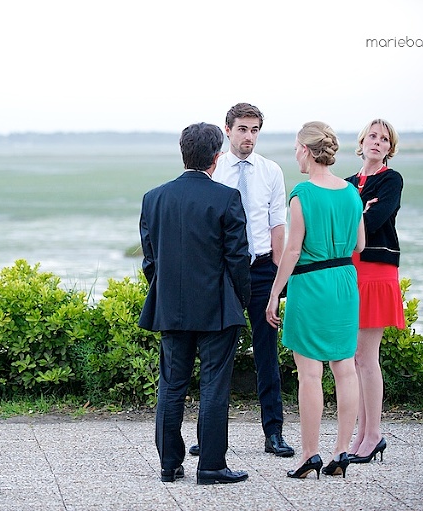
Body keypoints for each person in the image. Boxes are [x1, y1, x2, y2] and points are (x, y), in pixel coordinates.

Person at [139, 122, 252, 485]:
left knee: (171, 385)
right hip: (218, 307)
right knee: (214, 386)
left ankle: (169, 465)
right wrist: (242, 300)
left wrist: (166, 289)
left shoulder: (153, 198)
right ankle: (212, 466)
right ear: (217, 157)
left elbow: (150, 260)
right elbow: (238, 259)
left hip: (170, 305)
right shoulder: (226, 198)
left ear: (182, 151)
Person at [191, 103, 293, 458]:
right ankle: (207, 437)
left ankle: (274, 434)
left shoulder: (271, 171)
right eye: (243, 129)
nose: (248, 137)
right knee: (217, 356)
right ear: (228, 129)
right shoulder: (214, 172)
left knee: (268, 354)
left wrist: (279, 282)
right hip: (222, 272)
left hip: (263, 269)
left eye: (254, 130)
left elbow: (277, 223)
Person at [265, 121, 365, 479]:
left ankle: (310, 454)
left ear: (306, 150)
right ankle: (342, 452)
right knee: (345, 368)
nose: (295, 154)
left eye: (296, 147)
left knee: (310, 373)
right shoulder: (351, 193)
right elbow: (359, 246)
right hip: (344, 283)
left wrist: (275, 293)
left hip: (310, 284)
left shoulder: (302, 193)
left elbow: (292, 249)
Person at [346, 119, 405, 464]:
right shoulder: (350, 182)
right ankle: (362, 433)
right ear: (363, 141)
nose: (378, 142)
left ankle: (374, 434)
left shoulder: (391, 179)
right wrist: (358, 209)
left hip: (377, 272)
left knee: (366, 357)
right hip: (349, 271)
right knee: (354, 357)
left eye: (384, 139)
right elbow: (346, 222)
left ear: (389, 148)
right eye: (373, 136)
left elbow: (375, 219)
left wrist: (357, 213)